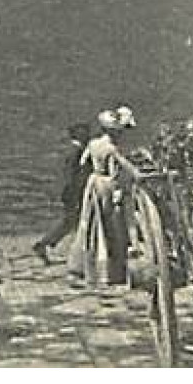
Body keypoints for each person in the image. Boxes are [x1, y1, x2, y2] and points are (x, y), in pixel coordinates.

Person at [67, 109, 140, 286]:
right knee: (112, 227)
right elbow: (124, 169)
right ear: (114, 132)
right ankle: (111, 271)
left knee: (91, 224)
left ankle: (85, 267)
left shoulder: (93, 143)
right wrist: (135, 173)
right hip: (107, 185)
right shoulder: (111, 149)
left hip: (94, 183)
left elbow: (84, 162)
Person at [33, 122, 94, 264]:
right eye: (85, 133)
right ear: (79, 135)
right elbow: (71, 175)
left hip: (72, 191)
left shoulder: (75, 150)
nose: (88, 136)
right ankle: (45, 244)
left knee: (71, 221)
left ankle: (48, 244)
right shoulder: (75, 152)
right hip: (73, 192)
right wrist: (74, 192)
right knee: (72, 221)